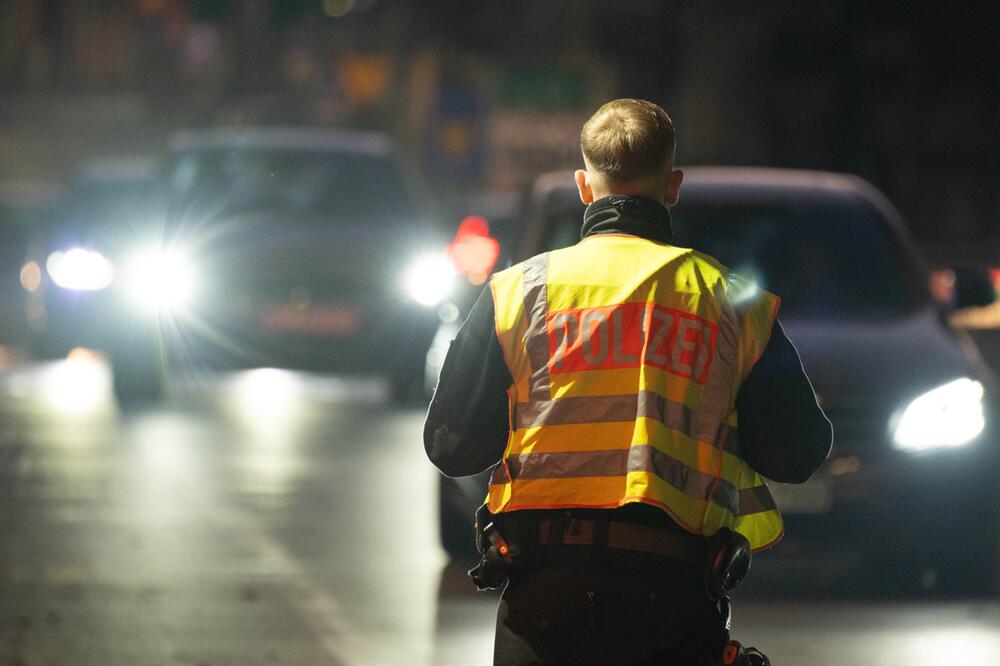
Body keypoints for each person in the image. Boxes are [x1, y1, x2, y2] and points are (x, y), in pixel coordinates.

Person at [424, 98, 832, 665]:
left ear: (584, 187)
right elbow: (797, 453)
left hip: (544, 599)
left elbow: (452, 446)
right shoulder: (731, 303)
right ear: (673, 186)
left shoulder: (517, 292)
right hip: (673, 597)